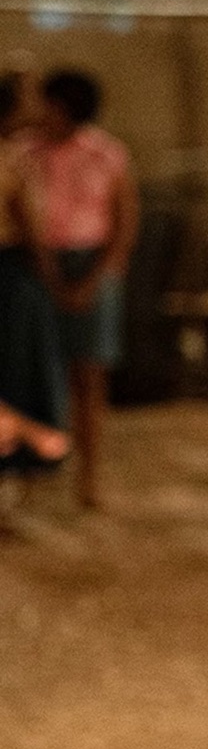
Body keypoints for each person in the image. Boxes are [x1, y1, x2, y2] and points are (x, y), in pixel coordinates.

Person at [23, 68, 136, 506]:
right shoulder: (25, 152)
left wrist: (94, 280)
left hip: (93, 265)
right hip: (38, 263)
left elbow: (123, 222)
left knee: (88, 375)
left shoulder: (107, 155)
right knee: (33, 373)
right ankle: (34, 476)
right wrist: (47, 272)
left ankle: (88, 477)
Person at [0, 71, 70, 475]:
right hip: (9, 272)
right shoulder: (14, 159)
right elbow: (29, 227)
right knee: (17, 371)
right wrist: (53, 280)